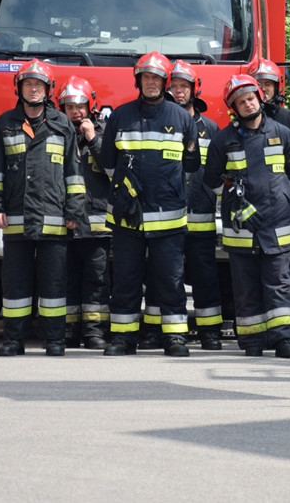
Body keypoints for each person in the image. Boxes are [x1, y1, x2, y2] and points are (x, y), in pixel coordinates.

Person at [0, 59, 84, 356]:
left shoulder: (62, 124)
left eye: (39, 85)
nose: (34, 89)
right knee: (15, 285)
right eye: (28, 84)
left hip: (54, 220)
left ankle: (55, 340)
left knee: (54, 285)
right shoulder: (5, 123)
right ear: (19, 88)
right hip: (15, 218)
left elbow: (73, 172)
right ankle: (14, 340)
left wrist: (74, 210)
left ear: (49, 90)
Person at [101, 51, 199, 357]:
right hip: (128, 217)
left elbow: (192, 164)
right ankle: (123, 339)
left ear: (164, 81)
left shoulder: (182, 117)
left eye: (156, 78)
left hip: (168, 218)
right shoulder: (121, 115)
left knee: (170, 280)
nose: (151, 83)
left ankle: (175, 338)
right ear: (138, 81)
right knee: (126, 279)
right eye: (146, 77)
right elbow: (107, 162)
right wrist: (125, 191)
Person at [204, 75, 290, 358]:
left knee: (280, 282)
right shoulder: (224, 139)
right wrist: (234, 202)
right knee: (245, 285)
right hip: (241, 225)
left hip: (278, 223)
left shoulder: (284, 133)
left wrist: (282, 197)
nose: (248, 104)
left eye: (251, 98)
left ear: (260, 98)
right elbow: (211, 179)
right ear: (233, 107)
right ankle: (251, 340)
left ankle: (285, 339)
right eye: (241, 102)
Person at [248, 58, 290, 332]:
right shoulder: (241, 121)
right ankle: (258, 327)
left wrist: (284, 198)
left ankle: (288, 326)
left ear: (278, 87)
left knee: (288, 271)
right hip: (250, 212)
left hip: (283, 212)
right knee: (252, 273)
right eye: (259, 84)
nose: (263, 90)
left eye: (268, 84)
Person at [166, 60, 224, 351]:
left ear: (194, 89)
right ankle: (169, 332)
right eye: (174, 86)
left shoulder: (210, 128)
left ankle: (210, 333)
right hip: (167, 219)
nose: (178, 92)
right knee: (169, 277)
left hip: (201, 217)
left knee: (205, 277)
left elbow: (217, 172)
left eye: (183, 86)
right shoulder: (160, 124)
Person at [57, 76, 111, 350]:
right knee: (67, 280)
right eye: (69, 106)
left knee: (97, 281)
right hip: (65, 223)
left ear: (91, 105)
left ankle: (93, 333)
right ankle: (68, 331)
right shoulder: (56, 134)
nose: (75, 111)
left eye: (80, 105)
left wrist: (92, 138)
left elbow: (112, 168)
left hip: (97, 224)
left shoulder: (104, 132)